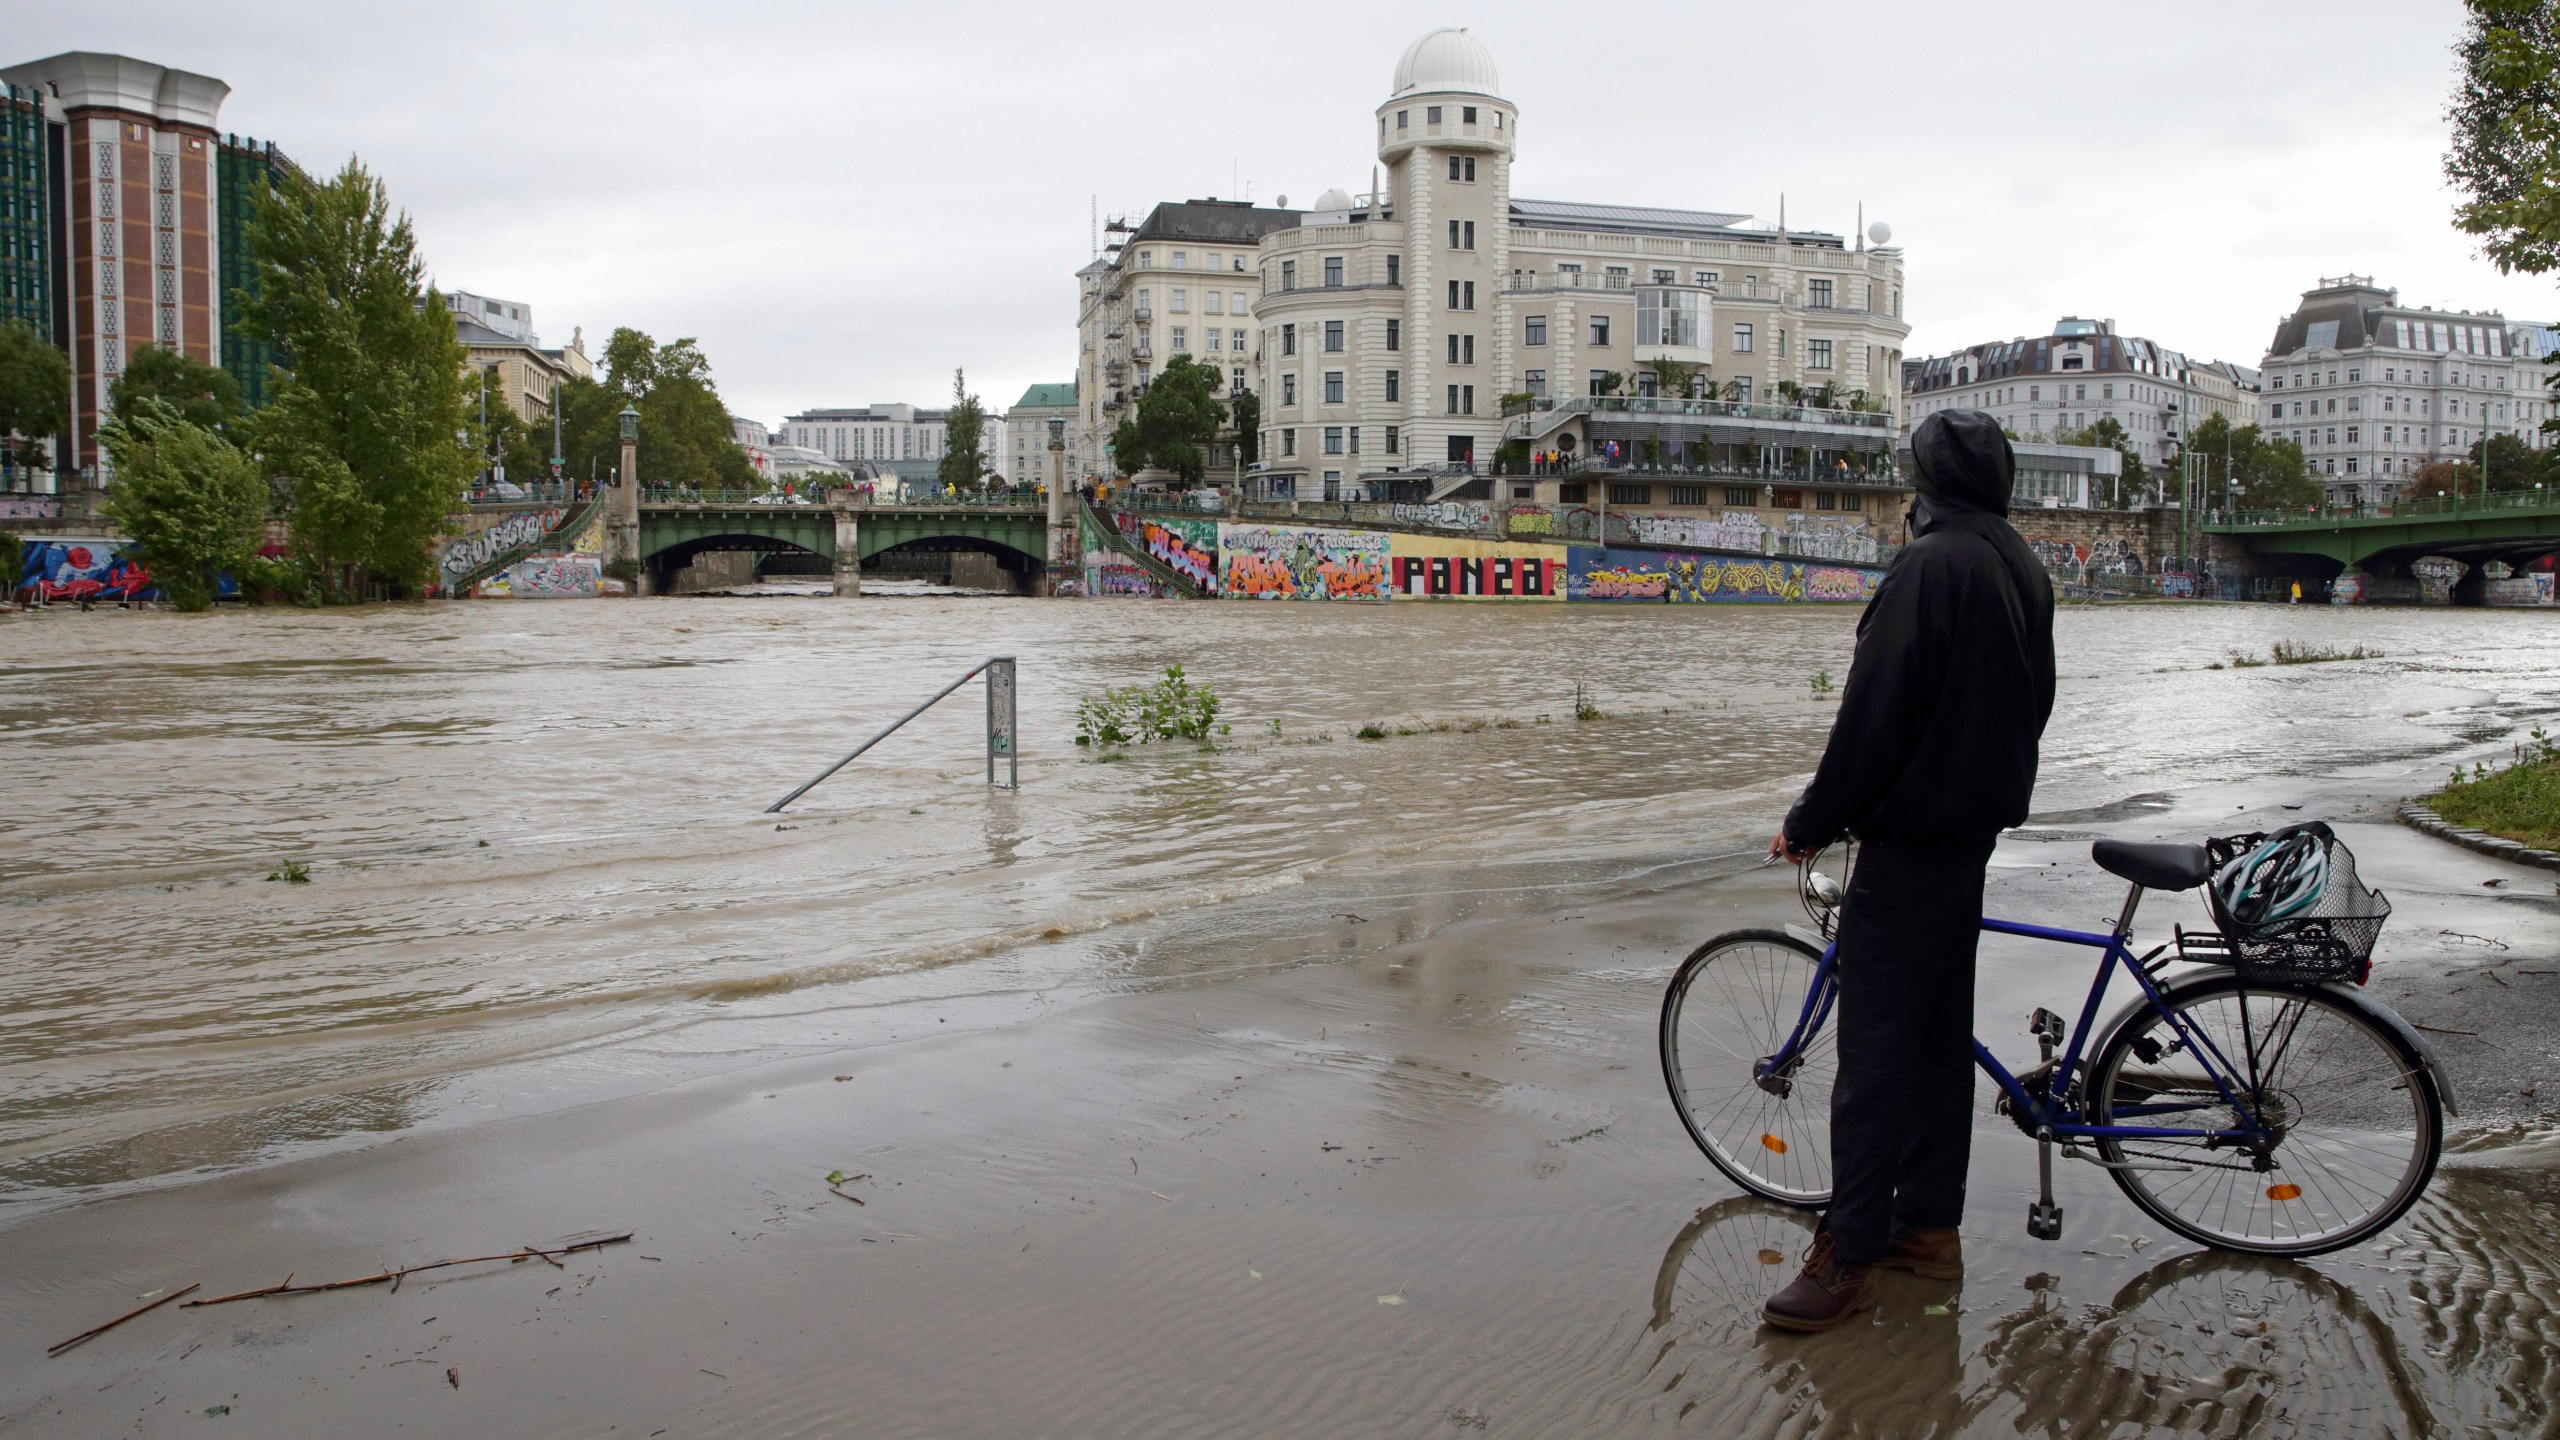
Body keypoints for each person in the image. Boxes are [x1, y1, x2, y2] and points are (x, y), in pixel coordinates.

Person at [1760, 409, 2057, 1333]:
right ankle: (1928, 1231)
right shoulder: (2018, 561)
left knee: (1877, 1057)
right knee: (1935, 1045)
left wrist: (1812, 820)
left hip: (1911, 840)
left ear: (1924, 482)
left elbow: (1873, 717)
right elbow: (2035, 700)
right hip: (1969, 834)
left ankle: (1847, 1254)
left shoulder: (1928, 567)